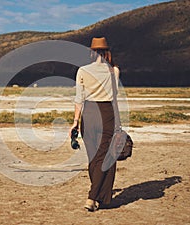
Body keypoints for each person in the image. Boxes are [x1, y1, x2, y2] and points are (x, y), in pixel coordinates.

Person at [69, 37, 120, 211]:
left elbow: (79, 99)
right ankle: (93, 198)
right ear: (107, 51)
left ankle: (96, 195)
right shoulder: (114, 71)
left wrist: (75, 122)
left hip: (88, 115)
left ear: (91, 52)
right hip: (107, 115)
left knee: (94, 158)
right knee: (104, 157)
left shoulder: (82, 71)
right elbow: (114, 98)